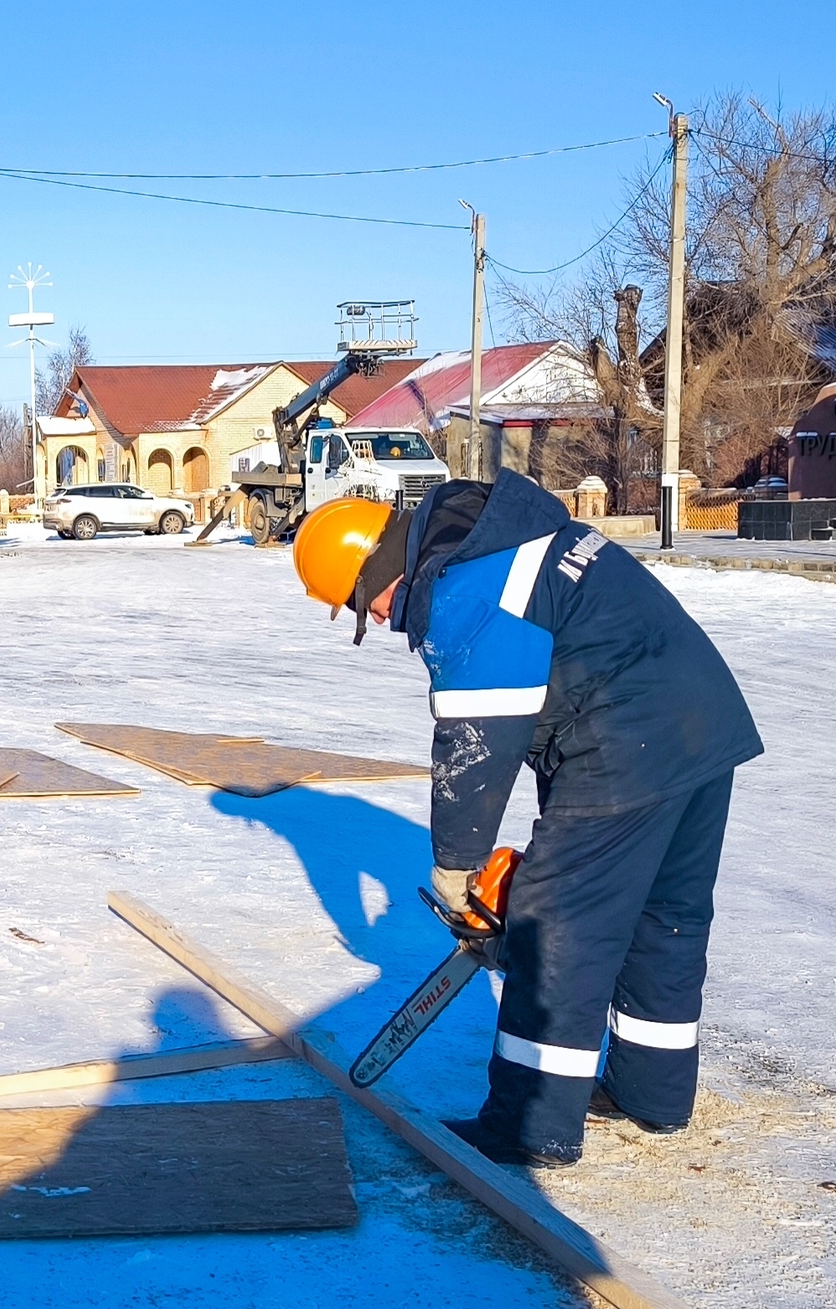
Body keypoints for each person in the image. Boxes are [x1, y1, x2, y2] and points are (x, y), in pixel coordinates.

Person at [294, 468, 763, 1169]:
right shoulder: (504, 539)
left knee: (556, 928)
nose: (384, 621)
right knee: (663, 916)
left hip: (625, 739)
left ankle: (527, 1124)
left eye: (368, 605)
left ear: (377, 568)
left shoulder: (466, 587)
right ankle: (652, 1094)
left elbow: (477, 743)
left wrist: (458, 868)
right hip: (701, 723)